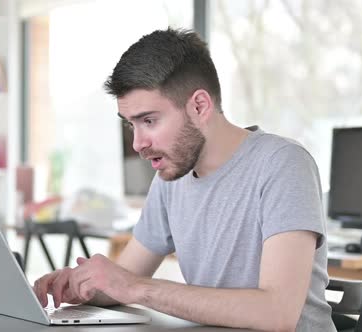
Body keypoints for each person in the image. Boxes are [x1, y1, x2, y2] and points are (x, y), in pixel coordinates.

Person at [32, 28, 335, 331]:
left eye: (149, 121)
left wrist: (136, 288)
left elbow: (277, 313)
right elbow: (124, 276)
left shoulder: (282, 164)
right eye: (131, 125)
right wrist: (83, 286)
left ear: (199, 106)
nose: (137, 143)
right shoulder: (170, 178)